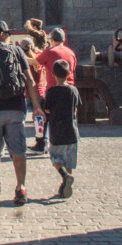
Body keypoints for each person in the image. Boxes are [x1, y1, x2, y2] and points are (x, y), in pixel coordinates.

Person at [0, 20, 44, 206]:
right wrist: (36, 107)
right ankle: (21, 188)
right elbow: (29, 80)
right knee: (18, 150)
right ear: (4, 34)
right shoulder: (17, 51)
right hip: (16, 108)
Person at [44, 59, 81, 199]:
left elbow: (47, 109)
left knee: (56, 158)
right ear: (69, 73)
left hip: (57, 131)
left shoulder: (52, 91)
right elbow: (77, 108)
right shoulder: (74, 90)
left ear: (53, 74)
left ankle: (64, 176)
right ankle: (66, 185)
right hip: (72, 131)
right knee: (69, 161)